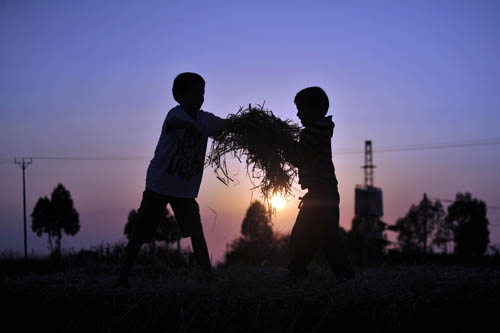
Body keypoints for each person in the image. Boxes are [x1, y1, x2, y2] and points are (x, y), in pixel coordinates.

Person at [116, 72, 227, 287]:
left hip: (185, 190)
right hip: (159, 185)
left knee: (196, 233)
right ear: (179, 95)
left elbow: (225, 125)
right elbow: (175, 123)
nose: (200, 97)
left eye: (202, 93)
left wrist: (243, 125)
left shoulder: (205, 119)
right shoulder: (175, 115)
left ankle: (207, 276)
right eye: (195, 92)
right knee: (140, 232)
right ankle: (123, 277)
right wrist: (191, 127)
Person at [278, 86, 355, 282]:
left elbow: (299, 156)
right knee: (308, 235)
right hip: (320, 194)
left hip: (322, 194)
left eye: (301, 109)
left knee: (321, 237)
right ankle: (297, 272)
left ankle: (342, 276)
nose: (297, 114)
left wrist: (281, 141)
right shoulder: (318, 130)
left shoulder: (314, 132)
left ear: (316, 109)